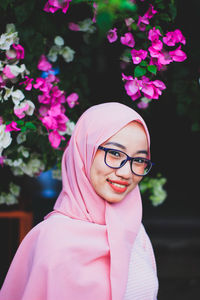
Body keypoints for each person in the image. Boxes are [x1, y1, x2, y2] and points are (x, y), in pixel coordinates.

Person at [0, 102, 158, 300]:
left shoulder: (134, 230)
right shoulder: (53, 239)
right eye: (115, 153)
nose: (127, 173)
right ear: (84, 152)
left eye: (139, 160)